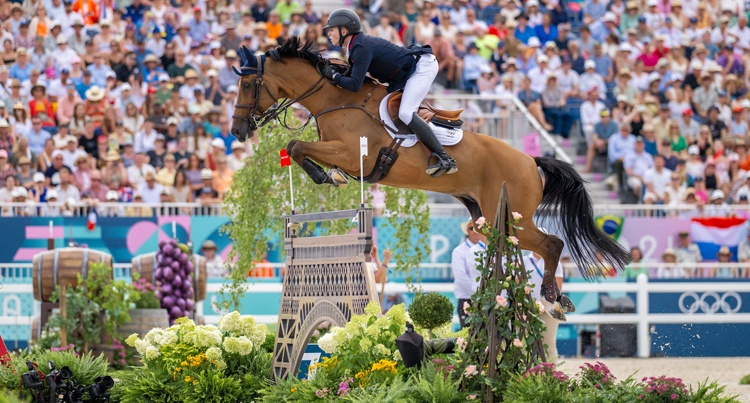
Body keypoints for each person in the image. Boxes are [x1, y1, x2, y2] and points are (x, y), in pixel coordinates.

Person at [321, 9, 456, 177]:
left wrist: (333, 75)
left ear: (344, 31)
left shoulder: (360, 47)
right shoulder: (355, 47)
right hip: (406, 74)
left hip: (421, 68)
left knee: (406, 113)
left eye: (331, 29)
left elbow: (355, 84)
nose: (328, 34)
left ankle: (445, 158)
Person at [523, 249, 564, 361]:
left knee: (549, 343)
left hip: (549, 308)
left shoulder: (554, 261)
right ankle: (523, 373)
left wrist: (544, 303)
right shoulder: (524, 261)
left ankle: (551, 374)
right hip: (527, 307)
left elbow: (558, 287)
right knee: (523, 343)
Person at [452, 218, 483, 328]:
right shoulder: (459, 251)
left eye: (478, 227)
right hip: (468, 299)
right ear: (467, 231)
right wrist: (481, 292)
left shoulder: (488, 249)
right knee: (468, 337)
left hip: (485, 299)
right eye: (471, 228)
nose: (475, 231)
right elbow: (461, 278)